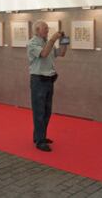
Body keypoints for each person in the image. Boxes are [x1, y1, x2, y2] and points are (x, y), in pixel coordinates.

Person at [27, 20, 68, 152]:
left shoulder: (46, 43)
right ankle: (40, 140)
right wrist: (52, 39)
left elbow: (61, 53)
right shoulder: (32, 43)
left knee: (46, 111)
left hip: (49, 80)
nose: (48, 30)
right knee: (39, 112)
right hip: (38, 80)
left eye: (47, 28)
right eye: (45, 28)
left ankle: (40, 136)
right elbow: (44, 54)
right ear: (37, 30)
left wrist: (64, 41)